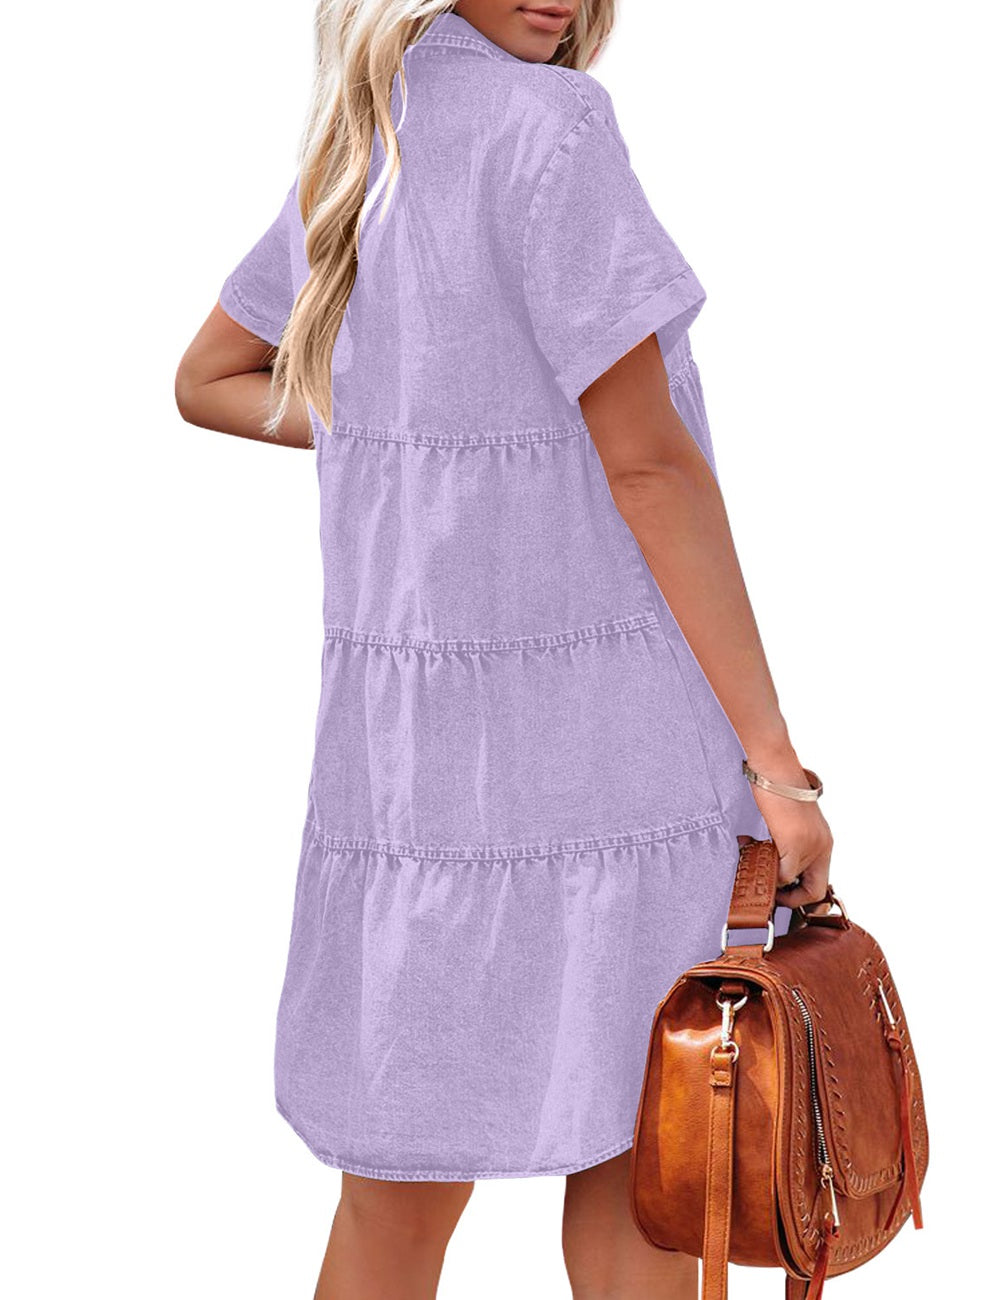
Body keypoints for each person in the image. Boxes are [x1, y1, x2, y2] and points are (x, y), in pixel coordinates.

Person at [174, 2, 834, 1296]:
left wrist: (411, 428)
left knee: (395, 1199)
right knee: (639, 1184)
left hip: (415, 779)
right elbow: (650, 467)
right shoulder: (555, 130)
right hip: (615, 758)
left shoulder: (373, 136)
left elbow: (213, 377)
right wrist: (776, 764)